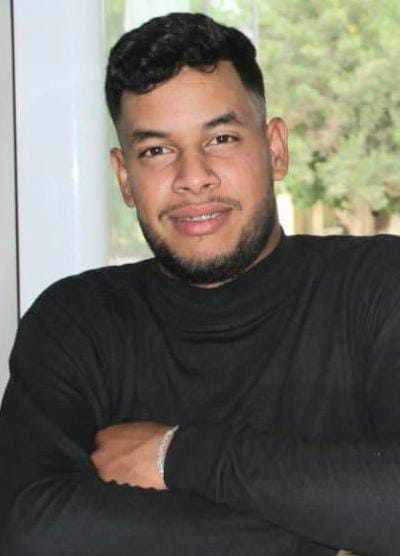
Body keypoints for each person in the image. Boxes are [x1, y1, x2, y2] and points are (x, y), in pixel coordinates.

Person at [0, 11, 399, 556]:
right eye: (156, 151)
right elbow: (30, 527)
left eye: (221, 138)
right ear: (125, 178)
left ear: (275, 149)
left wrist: (181, 454)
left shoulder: (376, 286)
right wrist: (334, 537)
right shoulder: (76, 320)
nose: (193, 177)